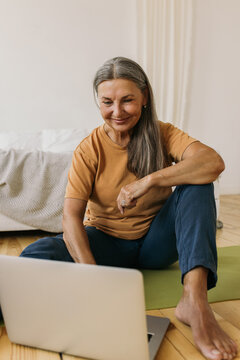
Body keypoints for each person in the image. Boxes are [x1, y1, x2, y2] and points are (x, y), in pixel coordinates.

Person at [19, 57, 237, 360]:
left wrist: (147, 181)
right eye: (107, 102)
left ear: (144, 97)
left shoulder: (163, 133)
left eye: (127, 101)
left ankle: (195, 302)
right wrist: (92, 278)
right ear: (98, 102)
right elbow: (70, 218)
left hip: (157, 245)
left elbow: (213, 162)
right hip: (107, 243)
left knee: (198, 182)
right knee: (37, 253)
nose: (117, 112)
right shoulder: (89, 148)